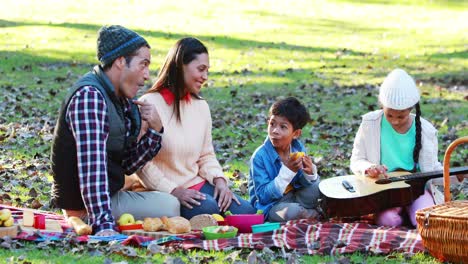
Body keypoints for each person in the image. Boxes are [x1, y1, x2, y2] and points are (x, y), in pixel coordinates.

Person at [50, 25, 180, 236]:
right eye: (143, 64)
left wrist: (155, 132)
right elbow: (92, 171)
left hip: (108, 194)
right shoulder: (89, 97)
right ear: (120, 61)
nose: (147, 75)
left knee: (170, 204)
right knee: (172, 207)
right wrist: (103, 226)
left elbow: (128, 164)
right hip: (83, 208)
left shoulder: (119, 99)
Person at [135, 37, 256, 219]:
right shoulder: (149, 104)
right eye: (200, 69)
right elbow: (141, 163)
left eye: (207, 71)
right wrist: (174, 190)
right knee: (208, 209)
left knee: (247, 213)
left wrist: (220, 181)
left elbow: (206, 155)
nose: (205, 77)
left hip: (196, 183)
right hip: (162, 190)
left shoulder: (201, 107)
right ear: (180, 65)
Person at [350, 68, 442, 227]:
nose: (395, 121)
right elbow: (356, 160)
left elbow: (433, 169)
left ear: (411, 109)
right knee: (388, 221)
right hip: (385, 191)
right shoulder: (369, 123)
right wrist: (369, 168)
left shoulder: (426, 130)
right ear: (382, 106)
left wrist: (454, 177)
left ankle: (411, 212)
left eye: (401, 116)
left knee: (425, 221)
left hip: (416, 189)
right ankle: (402, 215)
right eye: (389, 115)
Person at [248, 97, 321, 222]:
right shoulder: (259, 157)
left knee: (320, 187)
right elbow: (263, 197)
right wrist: (287, 171)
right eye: (272, 124)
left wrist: (309, 174)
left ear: (296, 133)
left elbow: (301, 184)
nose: (275, 131)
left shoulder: (297, 148)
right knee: (293, 211)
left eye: (283, 127)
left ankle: (308, 212)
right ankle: (314, 214)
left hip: (295, 197)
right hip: (272, 206)